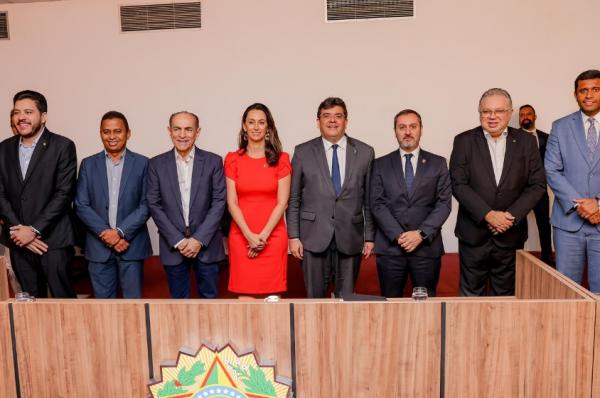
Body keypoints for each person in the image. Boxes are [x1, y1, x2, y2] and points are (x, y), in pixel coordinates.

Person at [450, 88, 545, 296]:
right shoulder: (464, 141)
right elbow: (458, 184)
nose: (492, 116)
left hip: (510, 234)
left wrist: (510, 217)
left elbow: (537, 184)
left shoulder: (527, 142)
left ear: (510, 113)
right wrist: (489, 215)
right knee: (470, 296)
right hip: (473, 235)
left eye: (499, 111)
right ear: (479, 113)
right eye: (486, 111)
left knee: (506, 296)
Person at [287, 97, 374, 298]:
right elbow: (294, 199)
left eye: (338, 116)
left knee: (347, 300)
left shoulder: (365, 152)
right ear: (318, 122)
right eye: (326, 116)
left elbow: (369, 199)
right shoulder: (302, 152)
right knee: (314, 300)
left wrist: (369, 236)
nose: (332, 121)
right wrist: (293, 236)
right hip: (312, 237)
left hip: (351, 237)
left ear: (346, 121)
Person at [0, 90, 77, 298]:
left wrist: (33, 230)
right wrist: (19, 232)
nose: (21, 117)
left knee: (63, 305)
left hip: (53, 241)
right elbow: (0, 195)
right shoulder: (3, 149)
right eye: (17, 112)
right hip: (18, 243)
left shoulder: (63, 146)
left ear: (43, 116)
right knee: (30, 307)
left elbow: (64, 194)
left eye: (28, 112)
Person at [370, 109, 452, 297]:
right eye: (402, 127)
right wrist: (399, 236)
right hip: (390, 250)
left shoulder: (438, 163)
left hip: (426, 250)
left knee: (426, 309)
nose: (408, 132)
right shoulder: (380, 164)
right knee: (390, 306)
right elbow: (376, 203)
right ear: (395, 131)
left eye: (413, 127)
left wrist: (421, 234)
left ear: (421, 129)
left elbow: (444, 203)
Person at [147, 111, 225, 298]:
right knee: (178, 304)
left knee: (210, 301)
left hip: (206, 245)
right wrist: (179, 241)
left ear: (197, 132)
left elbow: (219, 201)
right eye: (177, 129)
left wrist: (198, 239)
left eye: (188, 129)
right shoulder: (156, 164)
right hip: (173, 246)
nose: (182, 135)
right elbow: (154, 204)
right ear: (169, 131)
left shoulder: (213, 162)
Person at [75, 111, 151, 298]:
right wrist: (106, 234)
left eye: (117, 131)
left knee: (133, 307)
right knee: (103, 310)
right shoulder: (88, 164)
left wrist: (119, 233)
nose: (112, 137)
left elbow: (147, 204)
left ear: (128, 133)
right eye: (106, 131)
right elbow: (81, 204)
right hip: (98, 247)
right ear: (100, 133)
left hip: (130, 245)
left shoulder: (143, 163)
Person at [224, 103, 291, 295]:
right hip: (241, 237)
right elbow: (232, 202)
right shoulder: (232, 159)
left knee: (272, 301)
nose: (256, 127)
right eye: (251, 122)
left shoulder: (282, 159)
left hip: (273, 237)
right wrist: (249, 236)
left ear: (268, 127)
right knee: (244, 300)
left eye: (261, 122)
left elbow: (282, 202)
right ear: (244, 126)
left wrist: (262, 237)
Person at [545, 69, 600, 293]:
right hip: (568, 225)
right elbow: (551, 169)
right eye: (583, 90)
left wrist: (598, 204)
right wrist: (580, 204)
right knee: (567, 294)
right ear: (575, 94)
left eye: (595, 89)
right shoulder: (560, 126)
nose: (588, 95)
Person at [519, 104, 554, 266]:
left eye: (529, 114)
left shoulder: (547, 138)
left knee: (544, 224)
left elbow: (552, 163)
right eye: (522, 114)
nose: (525, 116)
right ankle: (516, 259)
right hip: (518, 192)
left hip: (539, 190)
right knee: (517, 225)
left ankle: (547, 257)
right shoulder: (513, 137)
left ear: (535, 117)